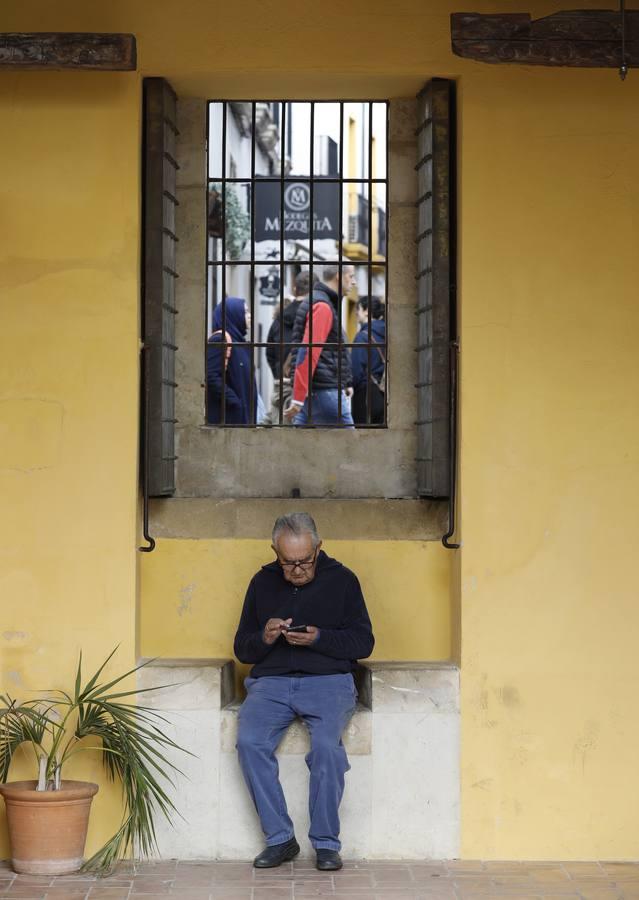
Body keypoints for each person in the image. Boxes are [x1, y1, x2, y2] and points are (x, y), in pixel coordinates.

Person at [234, 512, 374, 871]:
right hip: (272, 684)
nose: (297, 570)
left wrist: (320, 638)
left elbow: (364, 641)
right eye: (288, 563)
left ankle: (326, 844)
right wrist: (264, 637)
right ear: (274, 552)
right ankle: (280, 839)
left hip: (328, 682)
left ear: (318, 548)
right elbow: (243, 650)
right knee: (250, 742)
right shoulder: (261, 583)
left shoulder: (343, 580)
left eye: (305, 562)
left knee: (327, 748)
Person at [285, 266, 355, 427]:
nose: (354, 281)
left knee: (302, 448)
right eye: (351, 276)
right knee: (352, 449)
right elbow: (309, 351)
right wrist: (298, 395)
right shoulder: (322, 306)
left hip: (317, 389)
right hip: (325, 390)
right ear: (339, 276)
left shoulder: (320, 301)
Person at [261, 271, 311, 426]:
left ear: (295, 289)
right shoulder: (314, 315)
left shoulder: (278, 321)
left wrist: (278, 373)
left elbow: (269, 351)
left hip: (282, 385)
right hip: (308, 387)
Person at [206, 297, 257, 425]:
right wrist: (234, 402)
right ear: (233, 314)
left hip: (243, 419)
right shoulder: (220, 339)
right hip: (229, 418)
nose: (249, 315)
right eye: (245, 312)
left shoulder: (241, 344)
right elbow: (211, 376)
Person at [351, 296, 386, 425]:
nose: (356, 314)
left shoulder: (362, 337)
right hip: (387, 396)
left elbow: (356, 371)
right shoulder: (390, 334)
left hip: (366, 396)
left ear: (366, 311)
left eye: (358, 309)